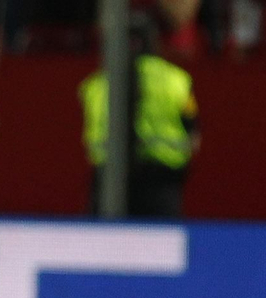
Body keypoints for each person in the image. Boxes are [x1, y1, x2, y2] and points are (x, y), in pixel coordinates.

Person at [80, 18, 200, 219]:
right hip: (161, 182)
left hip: (108, 179)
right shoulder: (177, 81)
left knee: (103, 245)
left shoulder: (96, 85)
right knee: (160, 245)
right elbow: (194, 136)